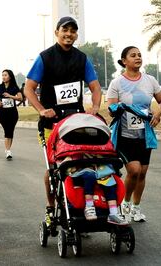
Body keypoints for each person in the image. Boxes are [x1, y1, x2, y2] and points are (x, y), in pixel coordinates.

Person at [24, 16, 102, 226]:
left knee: (81, 164)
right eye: (65, 30)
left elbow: (95, 87)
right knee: (54, 170)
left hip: (76, 122)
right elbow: (28, 88)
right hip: (52, 123)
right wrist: (41, 110)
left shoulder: (82, 58)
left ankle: (79, 206)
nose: (69, 34)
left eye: (73, 31)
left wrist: (95, 108)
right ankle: (51, 208)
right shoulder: (45, 57)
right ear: (56, 32)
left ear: (76, 34)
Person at [106, 46, 161, 222]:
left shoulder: (150, 80)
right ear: (124, 61)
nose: (138, 58)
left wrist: (157, 114)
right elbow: (111, 109)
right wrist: (118, 109)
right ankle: (125, 203)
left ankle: (136, 207)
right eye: (133, 55)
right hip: (125, 135)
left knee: (142, 172)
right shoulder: (117, 83)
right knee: (133, 171)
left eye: (139, 55)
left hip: (144, 134)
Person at [61, 155, 128, 225]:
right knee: (90, 176)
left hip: (98, 166)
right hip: (81, 170)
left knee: (109, 180)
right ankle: (89, 206)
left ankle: (113, 212)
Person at [0, 69, 23, 159]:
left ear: (10, 76)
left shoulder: (14, 87)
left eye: (5, 75)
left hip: (13, 113)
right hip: (2, 112)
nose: (3, 77)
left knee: (11, 131)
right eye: (2, 75)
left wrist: (10, 96)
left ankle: (8, 149)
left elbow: (20, 98)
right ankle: (8, 151)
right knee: (7, 130)